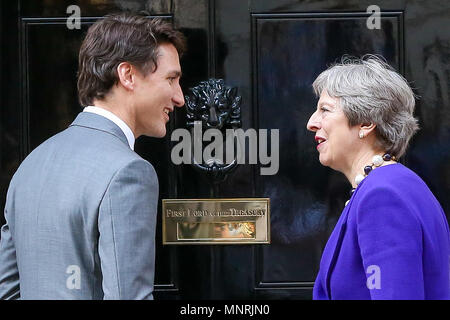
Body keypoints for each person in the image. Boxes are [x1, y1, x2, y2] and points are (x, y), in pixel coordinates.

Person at [0, 13, 185, 299]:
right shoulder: (129, 172)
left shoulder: (30, 164)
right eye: (171, 79)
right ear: (128, 75)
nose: (179, 97)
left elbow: (9, 291)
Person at [307, 55, 450, 300]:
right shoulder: (391, 185)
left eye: (325, 110)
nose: (312, 122)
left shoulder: (383, 195)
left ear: (366, 122)